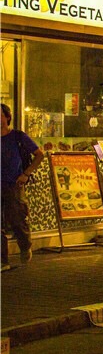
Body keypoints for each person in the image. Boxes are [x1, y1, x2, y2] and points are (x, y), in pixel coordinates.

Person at [1, 103, 43, 271]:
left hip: (14, 184)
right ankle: (3, 260)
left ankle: (25, 245)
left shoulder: (17, 137)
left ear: (7, 117)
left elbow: (39, 155)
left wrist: (26, 174)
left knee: (17, 220)